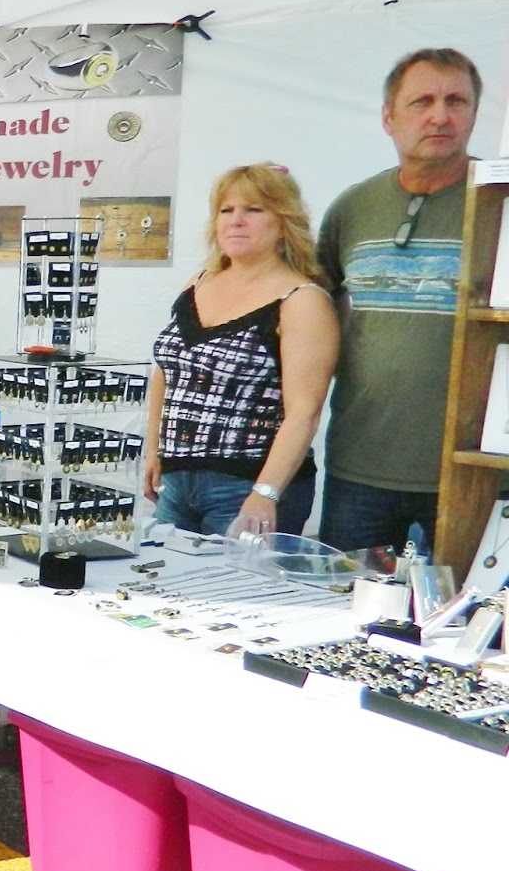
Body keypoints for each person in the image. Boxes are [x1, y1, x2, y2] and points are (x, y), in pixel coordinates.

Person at [317, 48, 483, 552]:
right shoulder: (352, 208)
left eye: (456, 101)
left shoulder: (500, 200)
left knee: (468, 605)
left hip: (476, 471)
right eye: (422, 101)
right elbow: (309, 313)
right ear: (388, 118)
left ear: (475, 113)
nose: (440, 116)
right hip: (360, 469)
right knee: (344, 600)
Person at [143, 164, 340, 537]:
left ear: (283, 223)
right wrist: (153, 450)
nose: (236, 220)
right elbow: (167, 373)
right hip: (177, 482)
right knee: (164, 572)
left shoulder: (301, 300)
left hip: (247, 485)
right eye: (226, 210)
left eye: (253, 209)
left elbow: (305, 412)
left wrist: (265, 493)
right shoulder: (198, 283)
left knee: (231, 577)